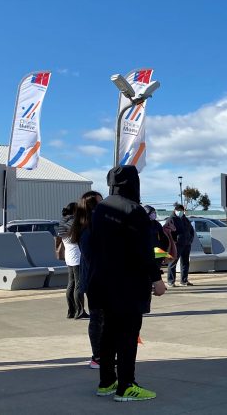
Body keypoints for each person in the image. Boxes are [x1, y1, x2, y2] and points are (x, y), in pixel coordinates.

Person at [86, 165, 166, 402]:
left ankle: (106, 381)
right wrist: (156, 278)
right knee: (128, 335)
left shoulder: (101, 209)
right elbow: (142, 250)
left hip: (101, 281)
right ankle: (126, 385)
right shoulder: (134, 210)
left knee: (109, 332)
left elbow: (93, 245)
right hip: (128, 284)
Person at [71, 191, 103, 367]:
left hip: (96, 279)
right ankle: (97, 357)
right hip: (95, 280)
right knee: (98, 319)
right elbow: (93, 258)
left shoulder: (89, 227)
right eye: (100, 203)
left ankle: (101, 355)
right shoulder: (88, 230)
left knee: (101, 319)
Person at [57, 202, 85, 319]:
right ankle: (80, 311)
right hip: (77, 256)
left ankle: (71, 311)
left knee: (71, 284)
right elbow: (79, 237)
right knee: (79, 284)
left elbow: (60, 238)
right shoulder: (74, 222)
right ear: (75, 210)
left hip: (69, 255)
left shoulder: (62, 221)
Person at [167, 204, 194, 287]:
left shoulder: (185, 219)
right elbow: (168, 232)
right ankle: (171, 281)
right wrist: (174, 241)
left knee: (185, 263)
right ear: (175, 211)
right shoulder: (171, 219)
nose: (181, 213)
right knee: (173, 262)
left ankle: (184, 280)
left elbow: (191, 230)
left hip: (186, 244)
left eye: (182, 211)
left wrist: (190, 239)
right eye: (180, 211)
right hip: (177, 245)